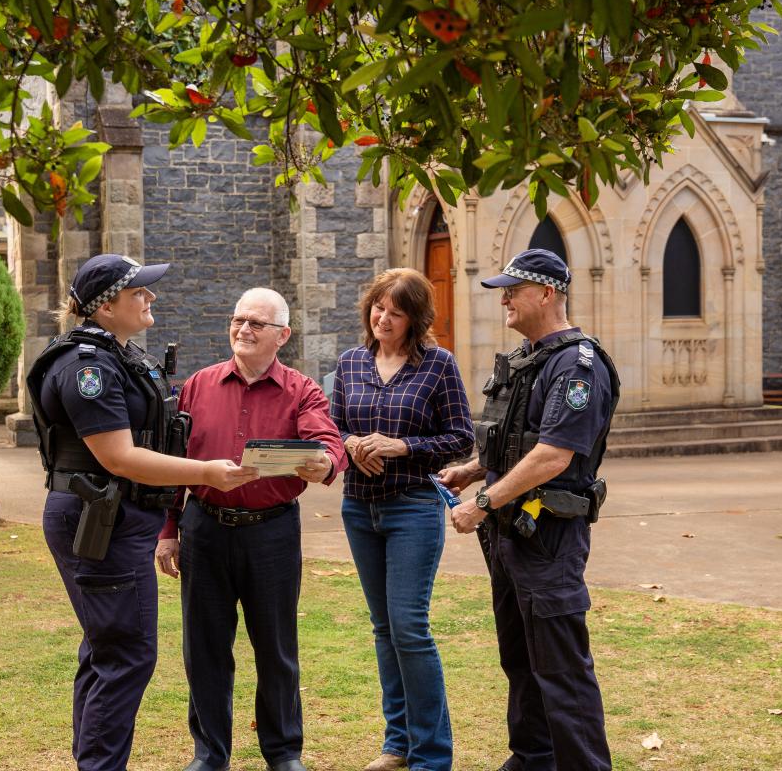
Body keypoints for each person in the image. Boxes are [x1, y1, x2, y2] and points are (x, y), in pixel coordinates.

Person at [28, 254, 258, 771]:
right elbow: (119, 457)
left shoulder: (116, 356)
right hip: (101, 518)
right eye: (139, 293)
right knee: (126, 655)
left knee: (107, 650)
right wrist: (206, 472)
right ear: (106, 306)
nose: (150, 298)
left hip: (114, 517)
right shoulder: (88, 366)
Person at [437, 249, 620, 771]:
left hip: (548, 539)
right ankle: (533, 757)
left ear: (547, 293)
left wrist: (482, 502)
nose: (506, 300)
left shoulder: (577, 365)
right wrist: (472, 471)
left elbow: (554, 455)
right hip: (511, 535)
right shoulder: (531, 359)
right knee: (520, 658)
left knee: (561, 668)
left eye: (514, 290)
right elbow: (518, 441)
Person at [154, 288, 347, 771]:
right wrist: (168, 529)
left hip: (272, 533)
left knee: (276, 648)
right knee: (204, 648)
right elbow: (175, 463)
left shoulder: (302, 390)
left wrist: (322, 463)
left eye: (256, 324)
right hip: (206, 528)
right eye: (238, 319)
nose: (243, 329)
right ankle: (209, 754)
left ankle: (283, 753)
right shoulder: (197, 386)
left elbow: (327, 442)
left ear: (282, 335)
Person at [331, 268, 475, 771]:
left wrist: (402, 445)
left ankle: (431, 756)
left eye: (395, 310)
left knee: (410, 626)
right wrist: (350, 443)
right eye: (377, 307)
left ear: (415, 318)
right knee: (383, 628)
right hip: (359, 507)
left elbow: (461, 438)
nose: (383, 318)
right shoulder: (351, 363)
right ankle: (397, 744)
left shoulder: (437, 365)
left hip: (413, 506)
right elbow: (333, 427)